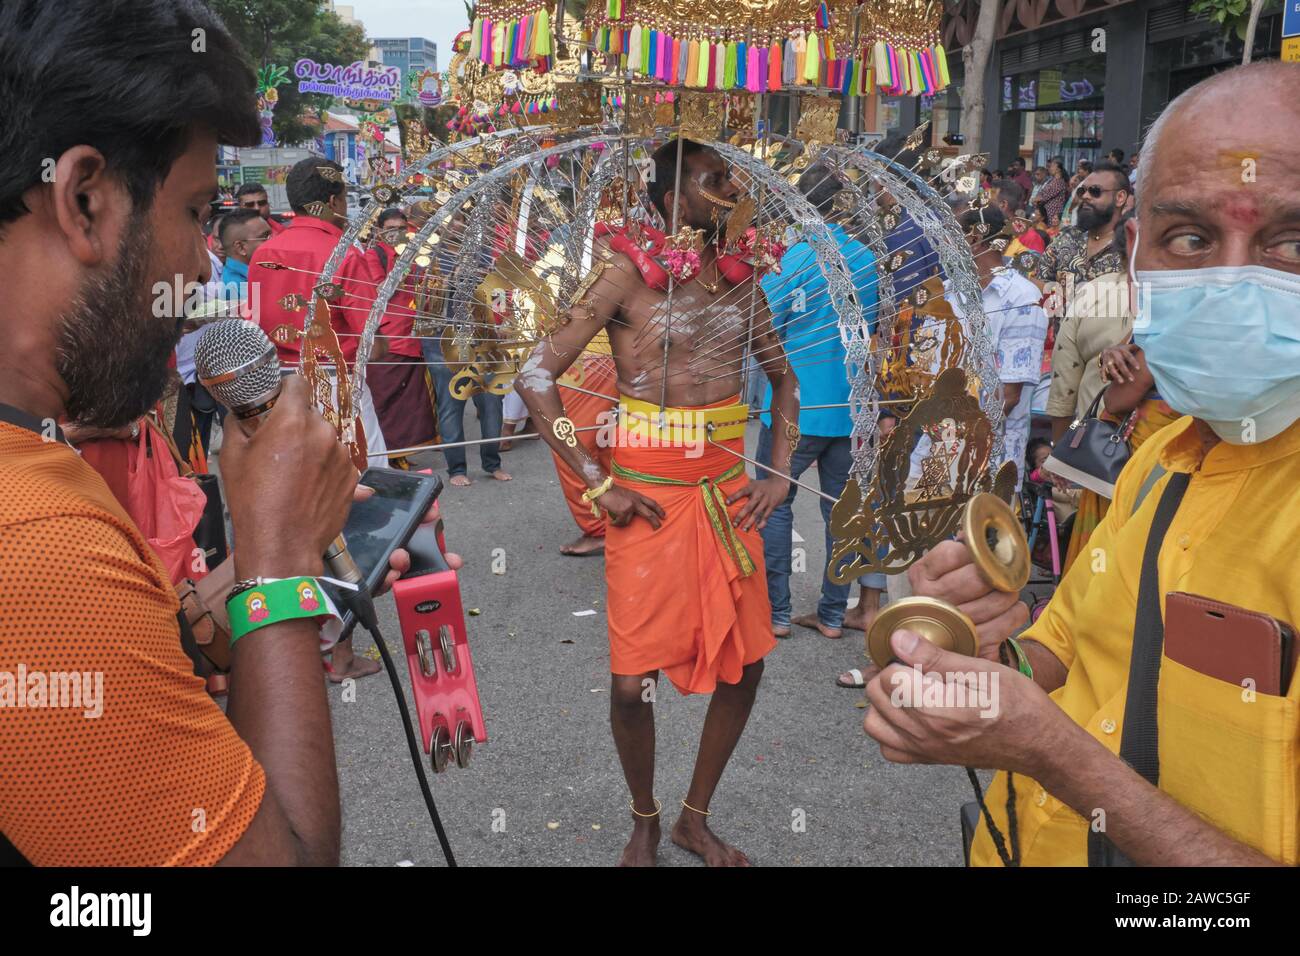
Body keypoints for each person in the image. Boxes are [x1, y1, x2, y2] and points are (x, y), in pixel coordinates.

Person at [0, 0, 432, 865]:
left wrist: (252, 582)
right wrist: (275, 570)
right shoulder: (33, 546)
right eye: (197, 211)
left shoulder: (41, 463)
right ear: (83, 198)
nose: (204, 265)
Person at [864, 60, 1300, 867]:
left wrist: (1049, 753)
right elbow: (1066, 652)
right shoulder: (1164, 457)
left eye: (1291, 238)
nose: (1231, 278)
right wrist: (972, 652)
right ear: (1137, 255)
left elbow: (1054, 739)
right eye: (1192, 238)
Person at [517, 138, 799, 867]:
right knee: (626, 684)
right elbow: (535, 377)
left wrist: (778, 475)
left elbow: (786, 383)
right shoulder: (621, 276)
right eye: (712, 180)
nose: (728, 190)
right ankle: (643, 818)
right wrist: (598, 481)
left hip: (728, 493)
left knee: (747, 665)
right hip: (648, 499)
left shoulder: (743, 280)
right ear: (670, 198)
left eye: (729, 178)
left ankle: (692, 820)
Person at [756, 163, 878, 641]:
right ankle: (831, 615)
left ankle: (777, 613)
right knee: (842, 511)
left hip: (796, 406)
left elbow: (767, 332)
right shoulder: (865, 258)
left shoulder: (790, 260)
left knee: (774, 503)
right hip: (851, 408)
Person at [246, 157, 391, 474]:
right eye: (343, 199)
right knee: (371, 485)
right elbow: (373, 346)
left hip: (281, 393)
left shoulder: (263, 253)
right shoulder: (345, 254)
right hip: (338, 388)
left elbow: (255, 326)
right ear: (332, 201)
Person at [365, 206, 438, 463]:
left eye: (401, 229)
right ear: (379, 232)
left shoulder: (418, 253)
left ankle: (401, 453)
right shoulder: (374, 255)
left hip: (415, 335)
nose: (396, 234)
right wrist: (403, 265)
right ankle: (389, 456)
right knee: (387, 403)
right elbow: (379, 291)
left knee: (409, 405)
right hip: (390, 339)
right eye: (390, 230)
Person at [1036, 161, 1129, 311]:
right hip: (1062, 333)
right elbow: (1038, 280)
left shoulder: (1131, 246)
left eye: (1095, 191)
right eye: (1082, 191)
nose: (1085, 196)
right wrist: (1060, 298)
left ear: (1120, 197)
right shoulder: (1067, 238)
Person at [1035, 157, 1069, 227]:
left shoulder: (1059, 182)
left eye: (1052, 166)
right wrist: (1037, 198)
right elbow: (1041, 192)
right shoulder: (1051, 180)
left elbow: (1045, 196)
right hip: (1046, 212)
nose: (1050, 168)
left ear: (1058, 169)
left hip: (1053, 213)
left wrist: (1037, 199)